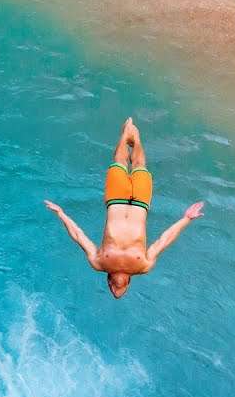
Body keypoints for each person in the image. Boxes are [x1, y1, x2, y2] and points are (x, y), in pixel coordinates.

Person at [45, 118, 204, 298]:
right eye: (121, 290)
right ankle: (135, 139)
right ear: (128, 283)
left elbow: (78, 236)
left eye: (113, 289)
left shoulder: (99, 262)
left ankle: (125, 135)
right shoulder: (143, 265)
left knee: (119, 161)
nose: (117, 291)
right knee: (139, 165)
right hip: (140, 203)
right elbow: (164, 240)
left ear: (108, 281)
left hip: (116, 200)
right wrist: (186, 219)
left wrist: (61, 214)